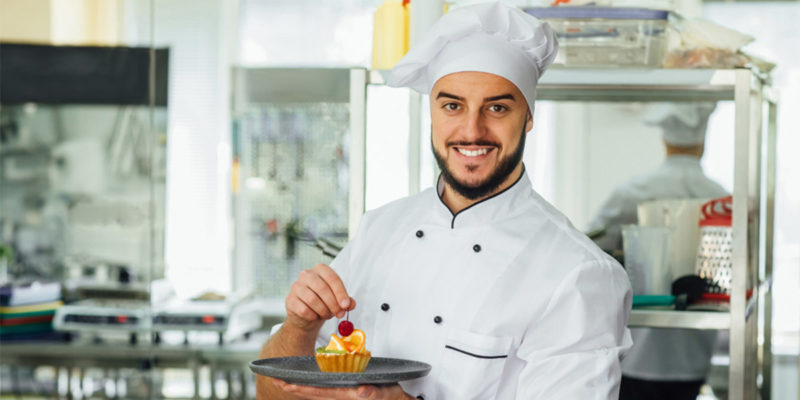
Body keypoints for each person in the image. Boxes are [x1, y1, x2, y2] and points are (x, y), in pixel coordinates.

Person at [257, 3, 632, 399]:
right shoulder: (379, 229)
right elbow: (271, 393)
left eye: (498, 107)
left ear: (528, 117)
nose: (472, 130)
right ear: (432, 113)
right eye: (452, 105)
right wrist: (300, 325)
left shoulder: (578, 275)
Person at [587, 102, 727, 400]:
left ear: (664, 140)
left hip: (639, 346)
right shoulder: (720, 197)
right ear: (702, 142)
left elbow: (591, 247)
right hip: (694, 349)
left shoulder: (634, 191)